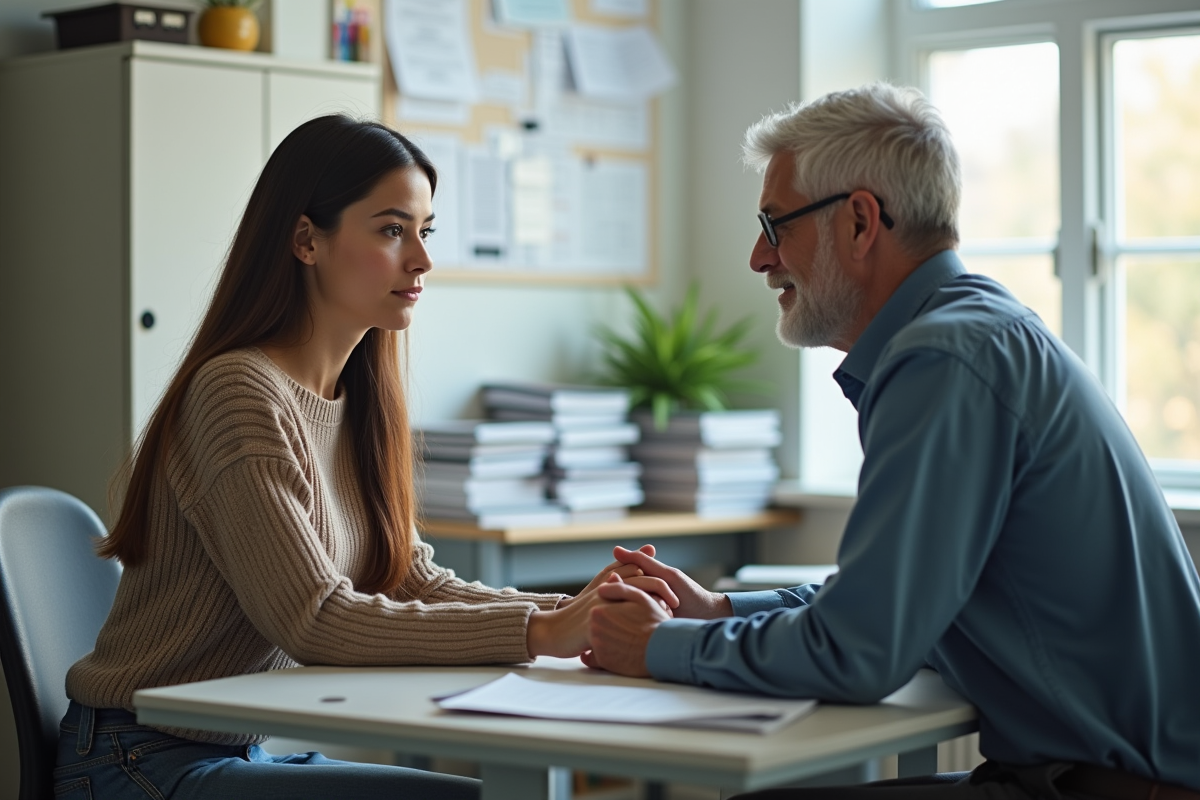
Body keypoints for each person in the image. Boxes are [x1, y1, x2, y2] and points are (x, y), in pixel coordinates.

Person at [584, 83, 1200, 800]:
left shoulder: (944, 359)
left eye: (774, 223)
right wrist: (720, 612)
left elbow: (860, 651)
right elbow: (887, 600)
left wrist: (658, 647)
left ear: (859, 221)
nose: (759, 257)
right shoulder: (976, 329)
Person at [54, 114, 675, 800]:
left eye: (425, 231)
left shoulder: (356, 400)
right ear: (305, 240)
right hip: (135, 758)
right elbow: (313, 620)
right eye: (391, 230)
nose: (422, 260)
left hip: (237, 749)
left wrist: (580, 608)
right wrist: (543, 630)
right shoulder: (235, 393)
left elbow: (410, 580)